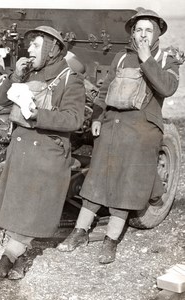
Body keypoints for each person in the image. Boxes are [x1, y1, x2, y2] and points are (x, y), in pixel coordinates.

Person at [57, 9, 180, 264]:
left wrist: (148, 60)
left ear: (157, 33)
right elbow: (104, 92)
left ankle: (111, 240)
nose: (143, 35)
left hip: (141, 132)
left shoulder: (167, 59)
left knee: (126, 185)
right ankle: (79, 231)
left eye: (148, 30)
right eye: (138, 30)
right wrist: (97, 119)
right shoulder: (121, 58)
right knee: (96, 181)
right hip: (112, 126)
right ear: (132, 34)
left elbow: (167, 88)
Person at [0, 25, 85, 279]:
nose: (29, 49)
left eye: (35, 45)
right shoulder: (29, 72)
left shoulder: (69, 78)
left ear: (52, 48)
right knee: (19, 208)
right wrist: (15, 76)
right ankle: (19, 258)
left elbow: (74, 120)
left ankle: (9, 256)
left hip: (47, 152)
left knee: (30, 209)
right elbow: (1, 101)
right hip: (22, 149)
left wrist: (36, 115)